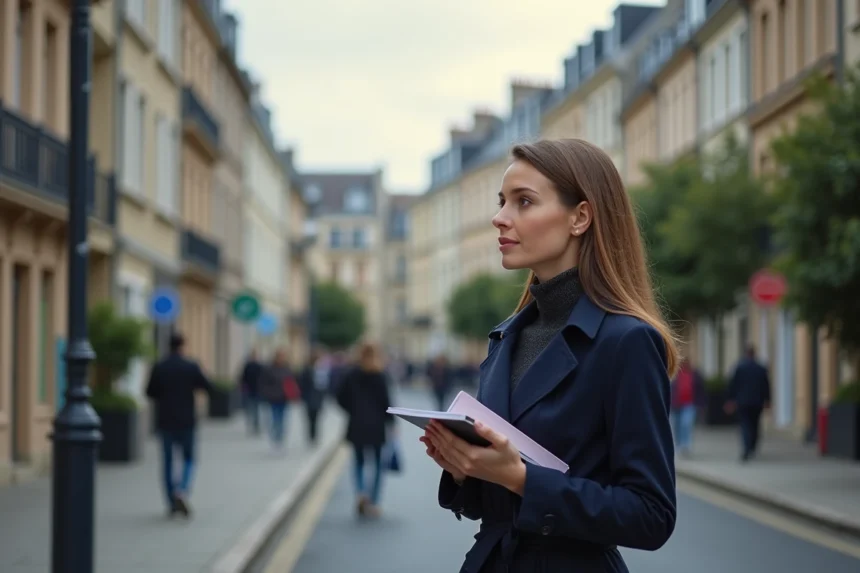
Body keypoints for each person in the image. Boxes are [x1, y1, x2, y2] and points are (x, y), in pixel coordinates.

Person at [422, 139, 678, 573]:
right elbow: (496, 503)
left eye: (524, 202)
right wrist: (465, 467)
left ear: (580, 217)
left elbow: (650, 514)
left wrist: (520, 478)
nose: (499, 218)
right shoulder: (507, 335)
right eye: (502, 201)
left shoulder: (626, 341)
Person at [146, 332, 213, 518]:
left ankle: (170, 501)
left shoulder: (159, 366)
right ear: (183, 346)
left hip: (165, 420)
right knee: (189, 458)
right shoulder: (191, 366)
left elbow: (149, 392)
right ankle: (182, 489)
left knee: (167, 461)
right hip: (186, 420)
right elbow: (208, 387)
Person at [336, 342, 395, 518]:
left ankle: (361, 493)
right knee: (377, 464)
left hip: (357, 424)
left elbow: (339, 396)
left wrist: (352, 410)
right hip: (376, 425)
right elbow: (386, 401)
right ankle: (374, 501)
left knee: (359, 461)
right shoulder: (381, 374)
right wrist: (391, 423)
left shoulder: (351, 374)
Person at [725, 345, 771, 462]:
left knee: (745, 425)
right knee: (755, 425)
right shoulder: (760, 368)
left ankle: (746, 448)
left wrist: (730, 400)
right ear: (754, 354)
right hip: (757, 402)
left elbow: (733, 385)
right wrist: (767, 400)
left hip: (743, 402)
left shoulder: (740, 368)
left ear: (746, 354)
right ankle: (752, 447)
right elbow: (766, 386)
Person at [259, 348, 297, 450]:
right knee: (275, 418)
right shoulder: (269, 369)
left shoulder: (287, 369)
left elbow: (291, 383)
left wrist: (292, 394)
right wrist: (268, 393)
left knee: (283, 418)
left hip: (284, 398)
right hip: (273, 398)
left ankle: (280, 438)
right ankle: (275, 437)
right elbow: (264, 383)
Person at [670, 359, 705, 457]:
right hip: (676, 404)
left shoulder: (695, 374)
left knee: (686, 424)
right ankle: (679, 445)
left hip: (689, 404)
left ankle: (686, 446)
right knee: (677, 426)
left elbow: (701, 389)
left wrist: (701, 403)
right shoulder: (675, 374)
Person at [298, 348, 329, 445]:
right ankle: (311, 435)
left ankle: (314, 435)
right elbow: (302, 383)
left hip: (317, 398)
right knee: (310, 418)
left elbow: (324, 385)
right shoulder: (307, 369)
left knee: (316, 418)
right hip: (309, 397)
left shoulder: (321, 369)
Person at [239, 349, 263, 435]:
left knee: (254, 409)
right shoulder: (248, 366)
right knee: (251, 408)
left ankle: (255, 425)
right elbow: (243, 378)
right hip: (250, 390)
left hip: (255, 390)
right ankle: (253, 424)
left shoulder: (258, 366)